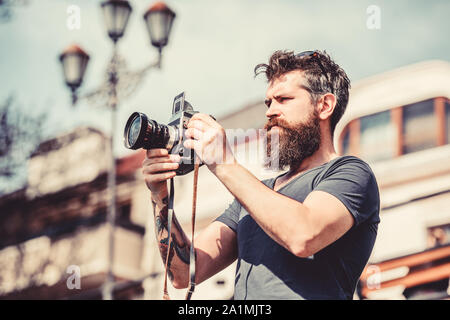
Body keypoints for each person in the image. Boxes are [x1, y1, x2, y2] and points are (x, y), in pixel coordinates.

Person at [142, 50, 380, 300]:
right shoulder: (255, 194)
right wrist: (160, 195)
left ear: (324, 105)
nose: (270, 112)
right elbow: (184, 274)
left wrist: (223, 163)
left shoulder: (350, 173)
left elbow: (303, 236)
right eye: (268, 103)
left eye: (283, 99)